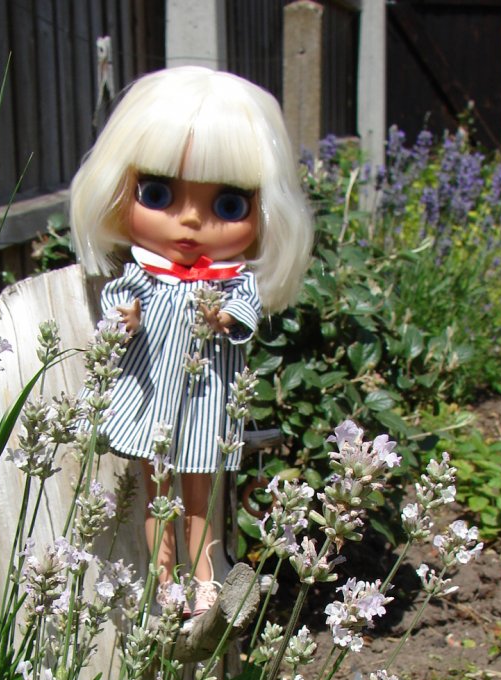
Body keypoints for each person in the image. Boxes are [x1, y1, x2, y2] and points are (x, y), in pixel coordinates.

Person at [70, 66, 313, 614]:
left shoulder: (231, 279)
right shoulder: (142, 275)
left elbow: (244, 309)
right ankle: (163, 579)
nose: (189, 222)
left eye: (228, 205)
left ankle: (204, 573)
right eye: (158, 194)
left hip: (205, 404)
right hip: (151, 399)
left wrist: (224, 316)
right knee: (158, 494)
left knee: (202, 496)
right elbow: (117, 310)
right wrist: (125, 319)